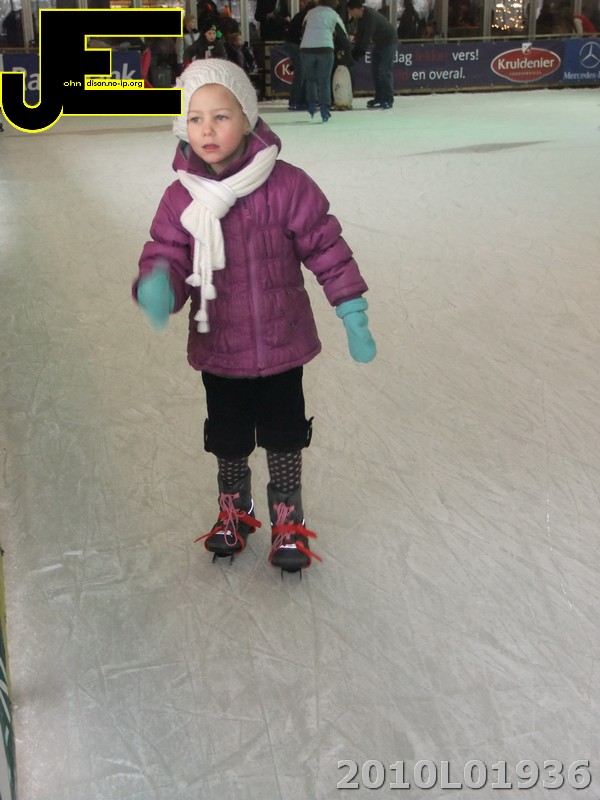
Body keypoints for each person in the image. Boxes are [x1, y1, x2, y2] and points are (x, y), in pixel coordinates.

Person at [132, 60, 376, 574]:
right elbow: (168, 255)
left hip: (282, 344)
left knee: (285, 435)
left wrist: (351, 307)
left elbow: (326, 248)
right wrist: (159, 287)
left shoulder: (287, 186)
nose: (207, 130)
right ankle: (235, 510)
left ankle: (288, 519)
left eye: (220, 116)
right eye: (195, 118)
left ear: (247, 118)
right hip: (222, 348)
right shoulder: (180, 198)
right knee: (228, 439)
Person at [300, 0, 350, 122]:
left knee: (310, 79)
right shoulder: (334, 15)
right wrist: (347, 52)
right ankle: (324, 108)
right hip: (325, 48)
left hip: (306, 48)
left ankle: (311, 104)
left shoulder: (310, 13)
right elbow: (343, 35)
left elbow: (303, 30)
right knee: (324, 80)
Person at [347, 0, 397, 109]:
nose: (350, 15)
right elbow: (360, 34)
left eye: (350, 12)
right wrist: (356, 50)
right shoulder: (361, 18)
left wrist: (359, 52)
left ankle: (388, 99)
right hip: (380, 43)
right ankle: (379, 97)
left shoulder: (370, 17)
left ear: (355, 9)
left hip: (389, 42)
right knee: (375, 71)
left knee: (384, 71)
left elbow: (366, 36)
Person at [283, 0, 312, 110]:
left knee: (303, 72)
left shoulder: (303, 15)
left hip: (295, 43)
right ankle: (295, 101)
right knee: (301, 72)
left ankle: (301, 100)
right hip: (295, 44)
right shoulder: (307, 17)